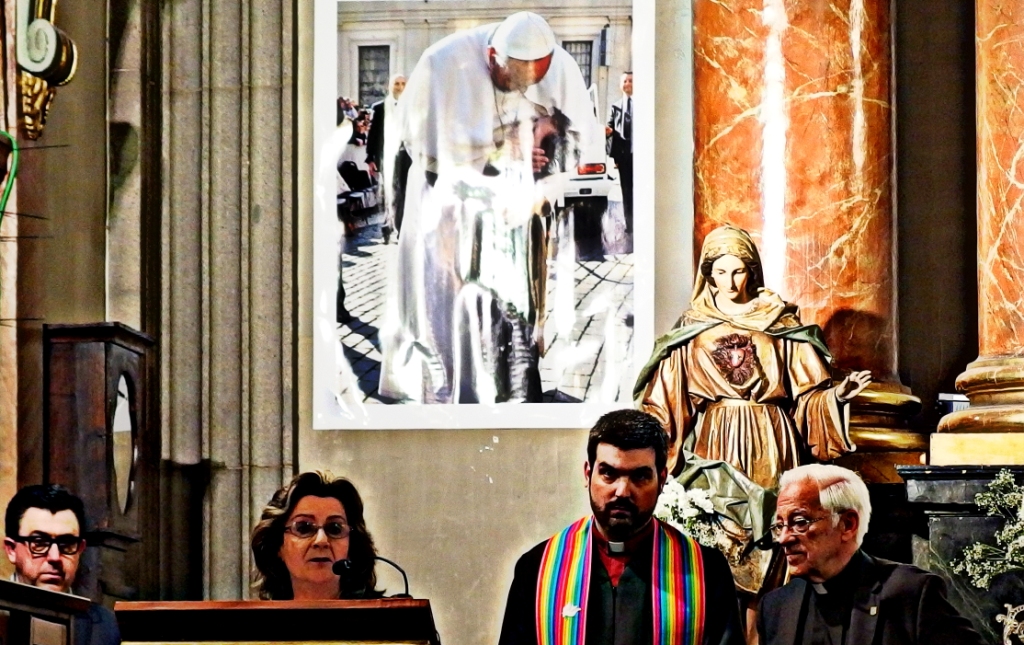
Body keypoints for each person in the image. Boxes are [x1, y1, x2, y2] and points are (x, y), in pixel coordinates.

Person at [378, 11, 601, 404]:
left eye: (530, 83)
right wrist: (503, 151)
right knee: (443, 311)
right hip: (444, 201)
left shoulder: (561, 66)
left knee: (513, 308)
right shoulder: (442, 62)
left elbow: (581, 143)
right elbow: (424, 150)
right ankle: (447, 399)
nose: (516, 90)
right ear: (493, 57)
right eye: (510, 80)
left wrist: (547, 154)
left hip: (512, 209)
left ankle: (515, 394)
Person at [634, 225, 872, 488]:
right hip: (716, 439)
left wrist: (838, 396)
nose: (730, 282)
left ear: (752, 271)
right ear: (709, 275)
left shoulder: (779, 321)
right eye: (721, 272)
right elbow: (666, 403)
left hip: (772, 437)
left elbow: (805, 397)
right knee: (718, 518)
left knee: (775, 519)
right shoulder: (692, 327)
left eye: (738, 272)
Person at [498, 409, 745, 645]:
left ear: (661, 480)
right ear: (587, 475)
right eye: (608, 474)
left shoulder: (706, 571)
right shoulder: (538, 568)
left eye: (639, 476)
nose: (622, 491)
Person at [758, 464, 985, 645]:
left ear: (847, 524)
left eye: (799, 522)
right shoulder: (776, 607)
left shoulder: (910, 595)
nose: (783, 538)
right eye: (779, 526)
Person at [3, 484, 121, 645]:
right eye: (39, 543)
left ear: (80, 549)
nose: (55, 557)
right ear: (11, 550)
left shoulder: (105, 626)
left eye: (66, 543)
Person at [251, 471, 380, 600]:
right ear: (278, 547)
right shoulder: (258, 619)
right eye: (303, 528)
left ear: (352, 546)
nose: (321, 540)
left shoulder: (388, 617)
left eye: (335, 528)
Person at [365, 73, 411, 244]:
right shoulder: (379, 108)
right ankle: (388, 224)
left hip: (407, 156)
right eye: (396, 84)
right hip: (387, 157)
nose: (400, 87)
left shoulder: (412, 107)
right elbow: (373, 135)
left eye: (403, 84)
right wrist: (370, 158)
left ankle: (400, 227)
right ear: (390, 86)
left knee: (404, 192)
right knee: (390, 191)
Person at [606, 71, 633, 234]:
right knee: (627, 191)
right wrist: (607, 131)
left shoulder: (644, 104)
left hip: (641, 156)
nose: (628, 84)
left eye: (631, 81)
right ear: (620, 85)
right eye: (625, 81)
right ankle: (630, 226)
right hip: (624, 156)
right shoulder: (615, 106)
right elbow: (610, 127)